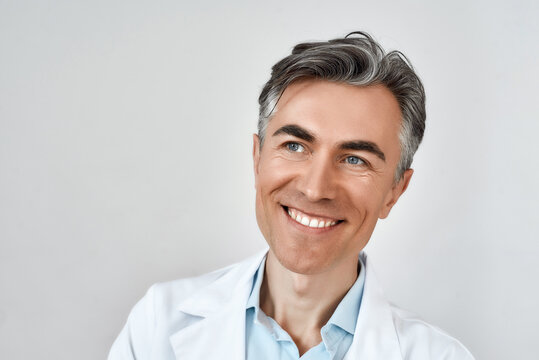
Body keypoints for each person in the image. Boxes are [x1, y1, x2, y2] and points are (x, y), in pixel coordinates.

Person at [108, 31, 475, 360]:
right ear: (257, 159)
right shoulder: (158, 324)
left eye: (353, 159)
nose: (315, 189)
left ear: (394, 191)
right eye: (296, 146)